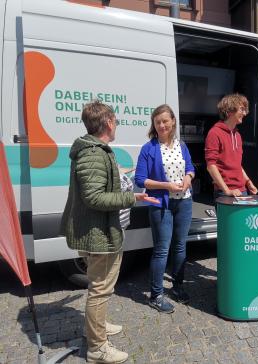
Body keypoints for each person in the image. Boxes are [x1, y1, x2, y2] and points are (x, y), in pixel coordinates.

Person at [61, 100, 158, 363]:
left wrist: (121, 175)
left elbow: (99, 182)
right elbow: (94, 197)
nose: (117, 125)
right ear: (108, 123)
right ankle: (97, 349)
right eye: (115, 120)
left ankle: (97, 328)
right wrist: (132, 198)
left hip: (101, 231)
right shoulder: (93, 153)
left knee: (100, 287)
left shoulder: (97, 151)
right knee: (100, 290)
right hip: (98, 234)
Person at [134, 104, 195, 313]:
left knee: (180, 247)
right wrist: (166, 186)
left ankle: (177, 287)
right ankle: (156, 295)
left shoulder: (182, 145)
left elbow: (191, 168)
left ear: (173, 122)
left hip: (184, 202)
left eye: (165, 121)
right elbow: (141, 179)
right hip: (162, 205)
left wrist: (188, 177)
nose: (161, 125)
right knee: (162, 250)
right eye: (157, 122)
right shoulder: (149, 149)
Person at [205, 93, 258, 198]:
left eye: (245, 110)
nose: (245, 113)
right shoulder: (214, 133)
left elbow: (237, 165)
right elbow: (211, 166)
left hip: (242, 190)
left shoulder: (237, 135)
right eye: (241, 109)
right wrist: (227, 191)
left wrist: (248, 181)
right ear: (229, 111)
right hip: (225, 192)